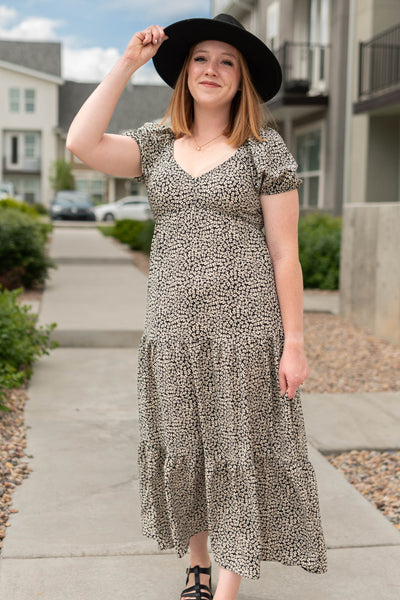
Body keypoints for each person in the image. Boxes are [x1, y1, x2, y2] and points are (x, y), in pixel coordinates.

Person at [66, 13, 328, 600]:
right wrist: (127, 64)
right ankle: (198, 564)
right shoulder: (156, 144)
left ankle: (226, 585)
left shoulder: (264, 149)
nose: (212, 70)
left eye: (227, 61)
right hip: (172, 329)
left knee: (237, 449)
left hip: (246, 331)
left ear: (243, 79)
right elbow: (80, 143)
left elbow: (286, 254)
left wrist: (295, 342)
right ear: (185, 72)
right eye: (201, 59)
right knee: (184, 449)